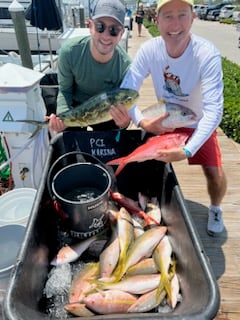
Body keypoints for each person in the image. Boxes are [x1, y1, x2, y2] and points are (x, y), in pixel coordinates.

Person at [111, 0, 227, 236]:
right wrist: (143, 122)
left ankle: (216, 208)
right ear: (157, 20)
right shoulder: (149, 50)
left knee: (214, 173)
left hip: (198, 121)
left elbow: (214, 110)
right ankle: (149, 208)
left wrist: (187, 150)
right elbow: (127, 92)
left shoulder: (207, 54)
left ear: (193, 17)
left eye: (182, 15)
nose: (175, 24)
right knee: (148, 168)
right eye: (168, 16)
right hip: (165, 123)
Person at [48, 0, 131, 133]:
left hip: (106, 112)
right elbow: (65, 90)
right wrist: (62, 117)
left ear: (121, 33)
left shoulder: (126, 66)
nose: (106, 35)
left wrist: (125, 122)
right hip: (75, 107)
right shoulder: (69, 52)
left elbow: (125, 104)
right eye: (100, 26)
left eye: (113, 30)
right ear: (90, 26)